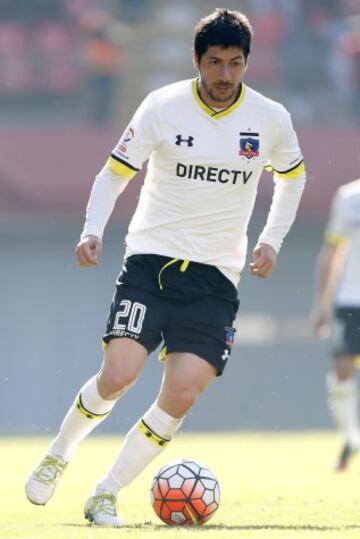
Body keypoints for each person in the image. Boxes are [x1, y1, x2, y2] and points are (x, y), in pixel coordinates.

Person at [25, 9, 306, 527]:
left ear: (248, 62)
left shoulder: (270, 118)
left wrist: (270, 240)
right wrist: (92, 230)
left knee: (180, 394)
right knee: (118, 375)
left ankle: (105, 493)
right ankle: (58, 454)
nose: (225, 76)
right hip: (152, 262)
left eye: (236, 64)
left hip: (216, 278)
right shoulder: (163, 105)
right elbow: (114, 173)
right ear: (197, 60)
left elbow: (292, 178)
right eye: (216, 63)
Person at [312, 179, 360, 471]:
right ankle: (350, 437)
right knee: (341, 368)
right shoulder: (348, 197)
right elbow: (333, 252)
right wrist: (321, 302)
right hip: (350, 301)